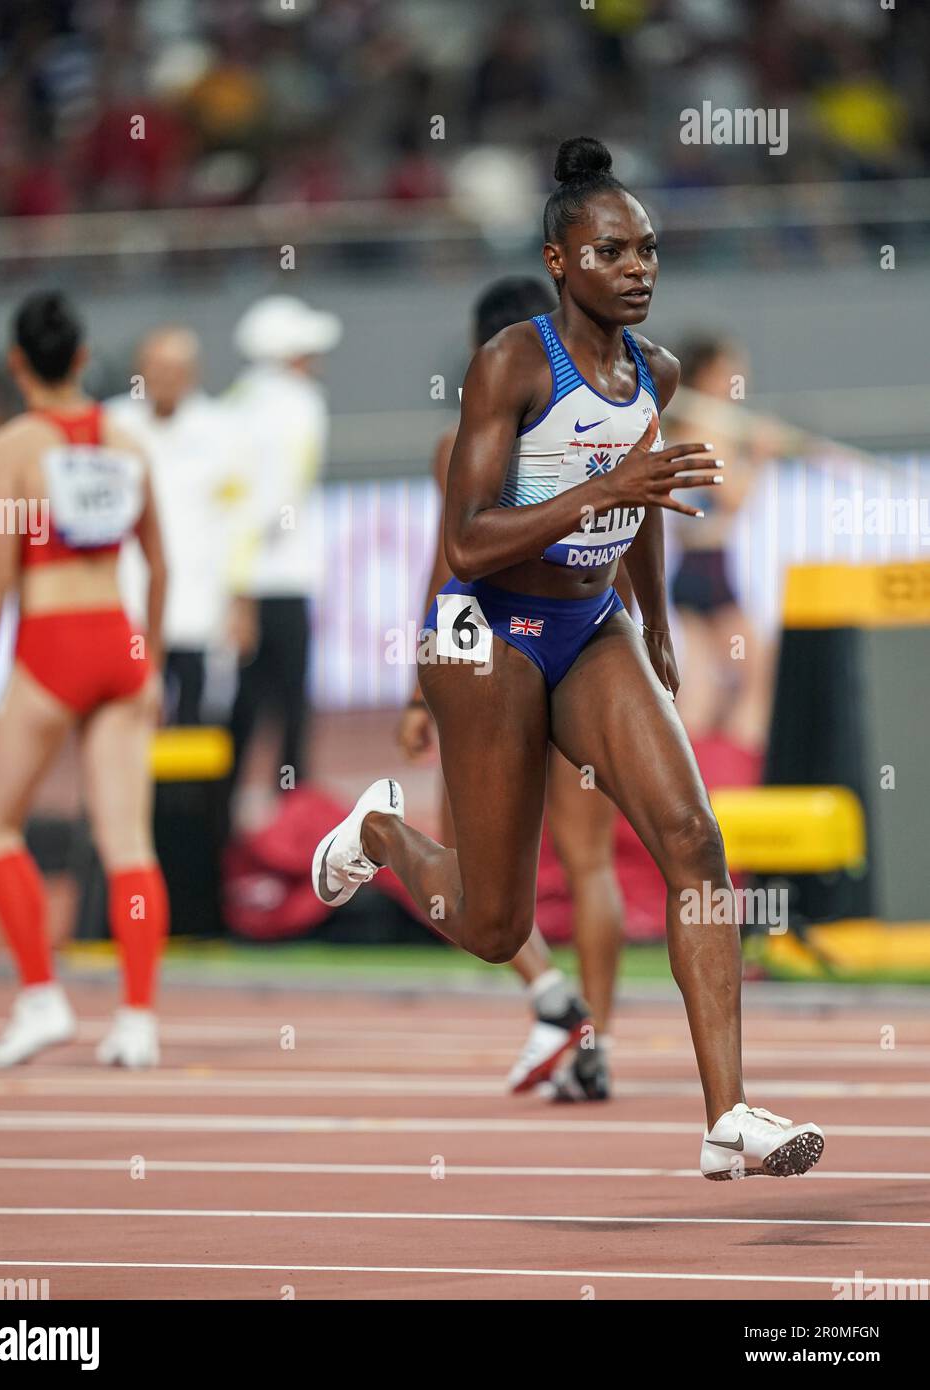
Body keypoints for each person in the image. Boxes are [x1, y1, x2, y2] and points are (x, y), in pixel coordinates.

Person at [314, 138, 824, 1178]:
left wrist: (658, 627)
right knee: (496, 923)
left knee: (692, 839)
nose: (637, 269)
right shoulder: (510, 364)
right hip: (494, 636)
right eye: (612, 252)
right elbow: (466, 541)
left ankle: (727, 1114)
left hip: (595, 628)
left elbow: (644, 504)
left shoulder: (658, 370)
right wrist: (597, 494)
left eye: (647, 251)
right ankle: (378, 830)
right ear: (560, 261)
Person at [397, 276, 625, 1100]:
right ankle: (590, 1037)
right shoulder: (610, 414)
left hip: (493, 654)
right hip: (589, 644)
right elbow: (624, 547)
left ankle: (546, 989)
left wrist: (421, 691)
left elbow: (450, 563)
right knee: (589, 860)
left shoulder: (466, 435)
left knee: (461, 844)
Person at [0, 291, 169, 1069]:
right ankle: (138, 1020)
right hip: (119, 637)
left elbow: (0, 572)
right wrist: (155, 654)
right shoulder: (127, 439)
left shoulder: (10, 447)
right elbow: (160, 560)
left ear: (17, 364)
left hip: (51, 646)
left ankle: (41, 996)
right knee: (128, 844)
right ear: (82, 358)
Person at [225, 296, 341, 824]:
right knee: (290, 701)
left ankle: (220, 808)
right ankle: (296, 815)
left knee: (243, 703)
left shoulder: (234, 401)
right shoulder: (300, 403)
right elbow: (277, 495)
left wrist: (233, 579)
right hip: (281, 577)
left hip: (241, 577)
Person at [107, 326, 243, 725]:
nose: (164, 377)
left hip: (199, 604)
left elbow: (240, 520)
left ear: (193, 372)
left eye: (174, 368)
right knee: (124, 717)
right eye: (155, 367)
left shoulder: (222, 429)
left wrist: (239, 597)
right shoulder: (113, 424)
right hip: (128, 601)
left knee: (195, 720)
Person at [664, 335, 773, 749]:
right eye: (730, 372)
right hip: (708, 567)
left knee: (702, 683)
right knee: (757, 666)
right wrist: (758, 458)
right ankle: (742, 765)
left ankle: (696, 772)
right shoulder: (711, 427)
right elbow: (733, 498)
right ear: (708, 375)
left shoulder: (681, 426)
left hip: (690, 568)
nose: (738, 380)